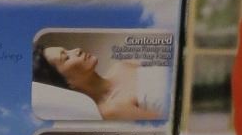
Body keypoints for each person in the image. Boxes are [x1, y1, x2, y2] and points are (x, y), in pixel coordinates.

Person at [32, 42, 168, 122]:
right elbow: (167, 125)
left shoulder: (121, 66)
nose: (77, 50)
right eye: (66, 57)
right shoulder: (111, 109)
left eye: (67, 50)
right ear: (66, 83)